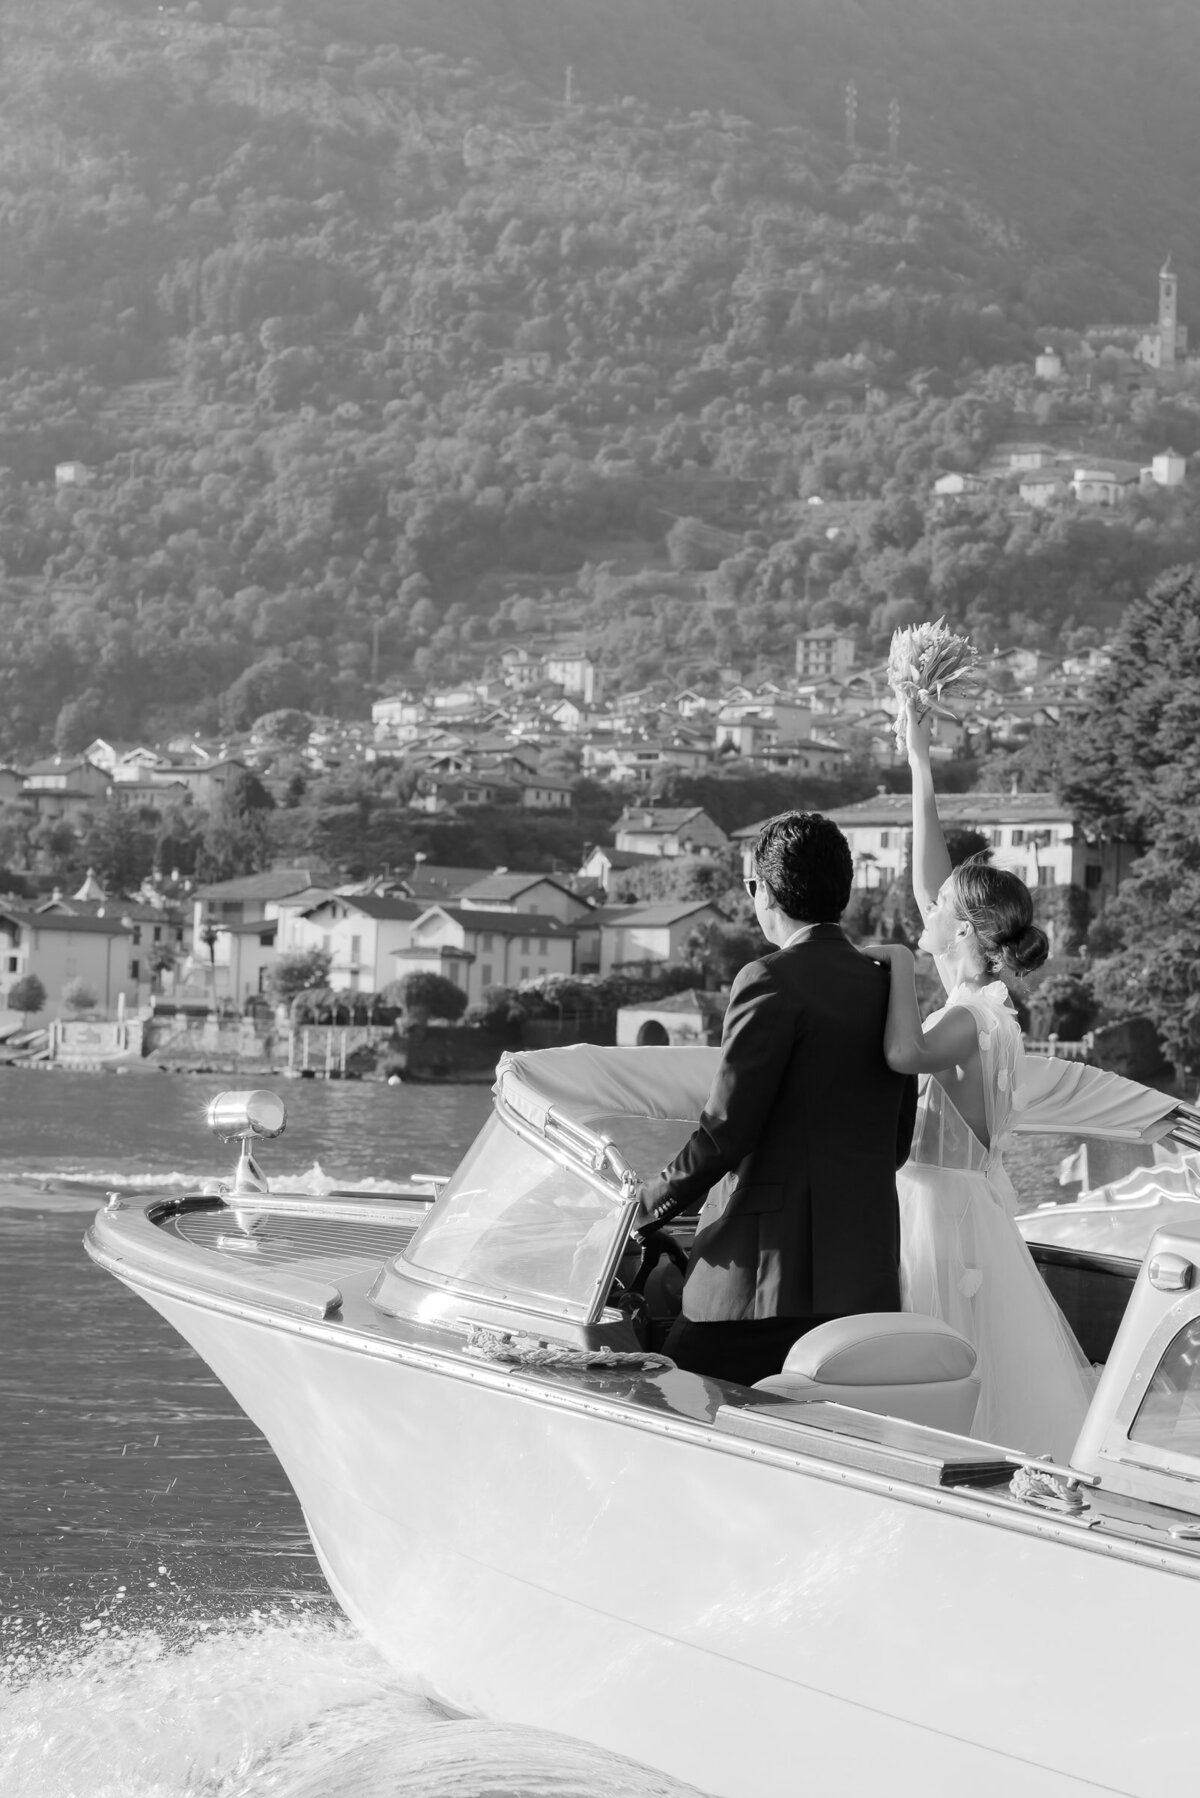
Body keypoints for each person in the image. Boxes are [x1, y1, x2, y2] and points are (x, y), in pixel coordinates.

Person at [871, 699, 1095, 1461]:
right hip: (963, 1206)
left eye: (938, 917)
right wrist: (919, 763)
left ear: (963, 932)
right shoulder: (992, 1005)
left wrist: (896, 966)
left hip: (939, 1214)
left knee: (942, 1368)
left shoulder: (967, 1017)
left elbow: (903, 1056)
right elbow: (931, 878)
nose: (924, 915)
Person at [633, 811, 917, 1387]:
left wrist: (647, 1203)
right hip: (863, 1277)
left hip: (760, 1282)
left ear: (764, 890)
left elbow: (725, 1131)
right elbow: (896, 1144)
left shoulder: (767, 978)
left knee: (663, 1400)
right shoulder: (885, 984)